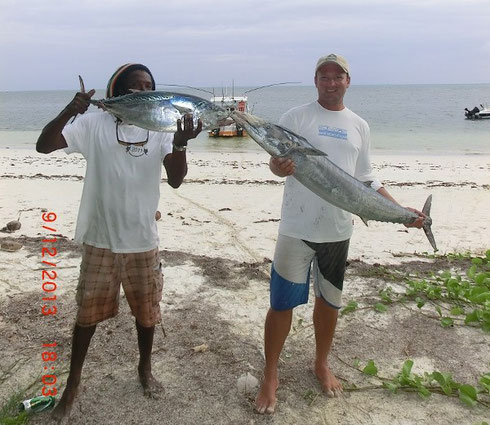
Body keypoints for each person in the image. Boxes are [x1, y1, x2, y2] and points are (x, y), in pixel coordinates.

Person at [254, 54, 426, 414]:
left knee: (329, 302)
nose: (330, 82)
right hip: (296, 228)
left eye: (337, 76)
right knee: (281, 304)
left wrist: (401, 211)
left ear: (348, 80)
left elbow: (365, 179)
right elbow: (274, 162)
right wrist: (277, 166)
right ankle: (270, 373)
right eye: (323, 76)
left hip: (337, 230)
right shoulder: (295, 117)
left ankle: (320, 363)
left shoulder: (359, 125)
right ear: (315, 80)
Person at [36, 63, 201, 422]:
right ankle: (72, 386)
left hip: (142, 237)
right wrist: (70, 110)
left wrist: (180, 143)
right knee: (86, 316)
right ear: (117, 92)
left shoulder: (160, 126)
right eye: (133, 86)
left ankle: (144, 369)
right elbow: (43, 146)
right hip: (100, 237)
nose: (141, 91)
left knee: (147, 314)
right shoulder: (93, 123)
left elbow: (175, 180)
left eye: (148, 86)